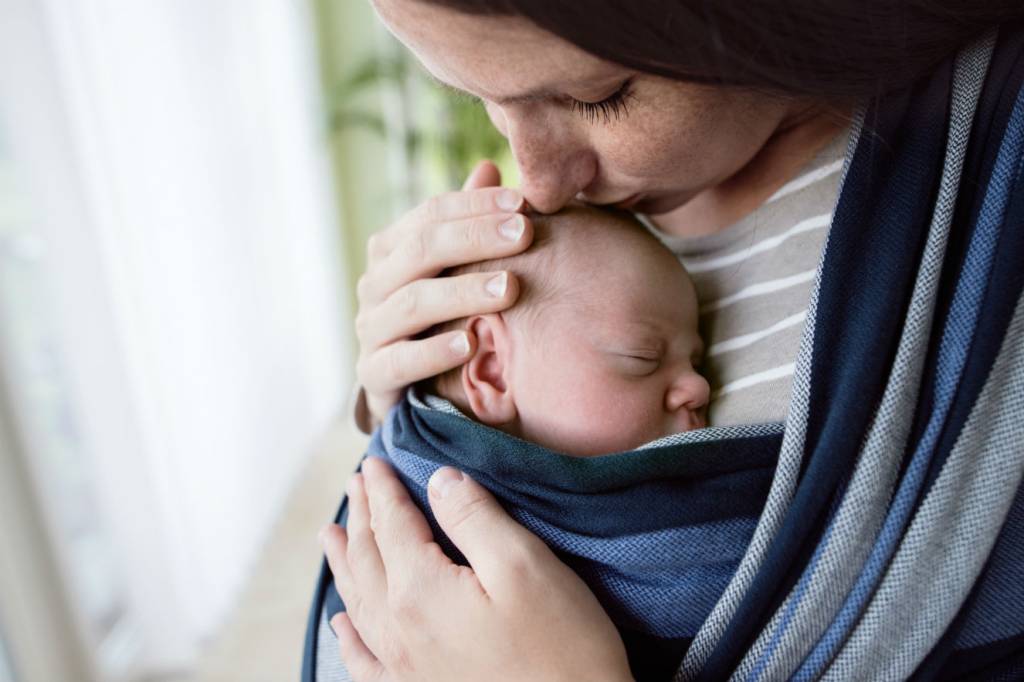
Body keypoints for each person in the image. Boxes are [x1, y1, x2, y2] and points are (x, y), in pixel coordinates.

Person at [304, 2, 1024, 680]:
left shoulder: (988, 200)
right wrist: (411, 398)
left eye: (599, 96)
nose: (542, 181)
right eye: (474, 95)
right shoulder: (557, 249)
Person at [424, 203, 709, 455]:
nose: (700, 387)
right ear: (493, 370)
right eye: (642, 357)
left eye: (697, 365)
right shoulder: (406, 487)